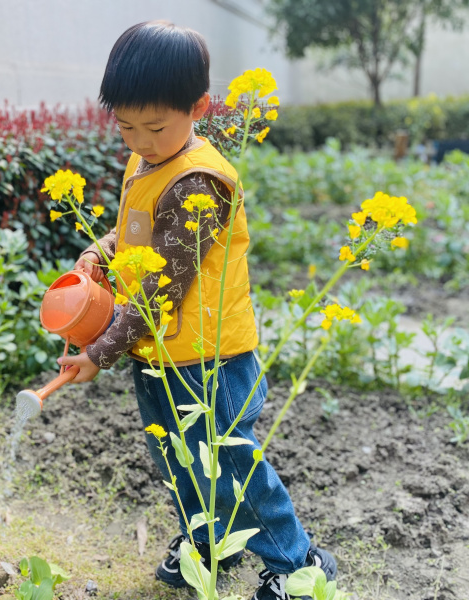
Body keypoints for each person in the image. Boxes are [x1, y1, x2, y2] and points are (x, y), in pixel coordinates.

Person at [55, 20, 337, 600]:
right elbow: (132, 231)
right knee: (178, 458)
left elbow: (163, 286)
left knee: (232, 464)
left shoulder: (200, 183)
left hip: (211, 357)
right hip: (159, 351)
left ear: (198, 107)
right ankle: (207, 546)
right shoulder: (147, 161)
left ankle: (298, 565)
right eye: (126, 125)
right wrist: (95, 255)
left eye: (155, 126)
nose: (139, 140)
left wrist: (98, 352)